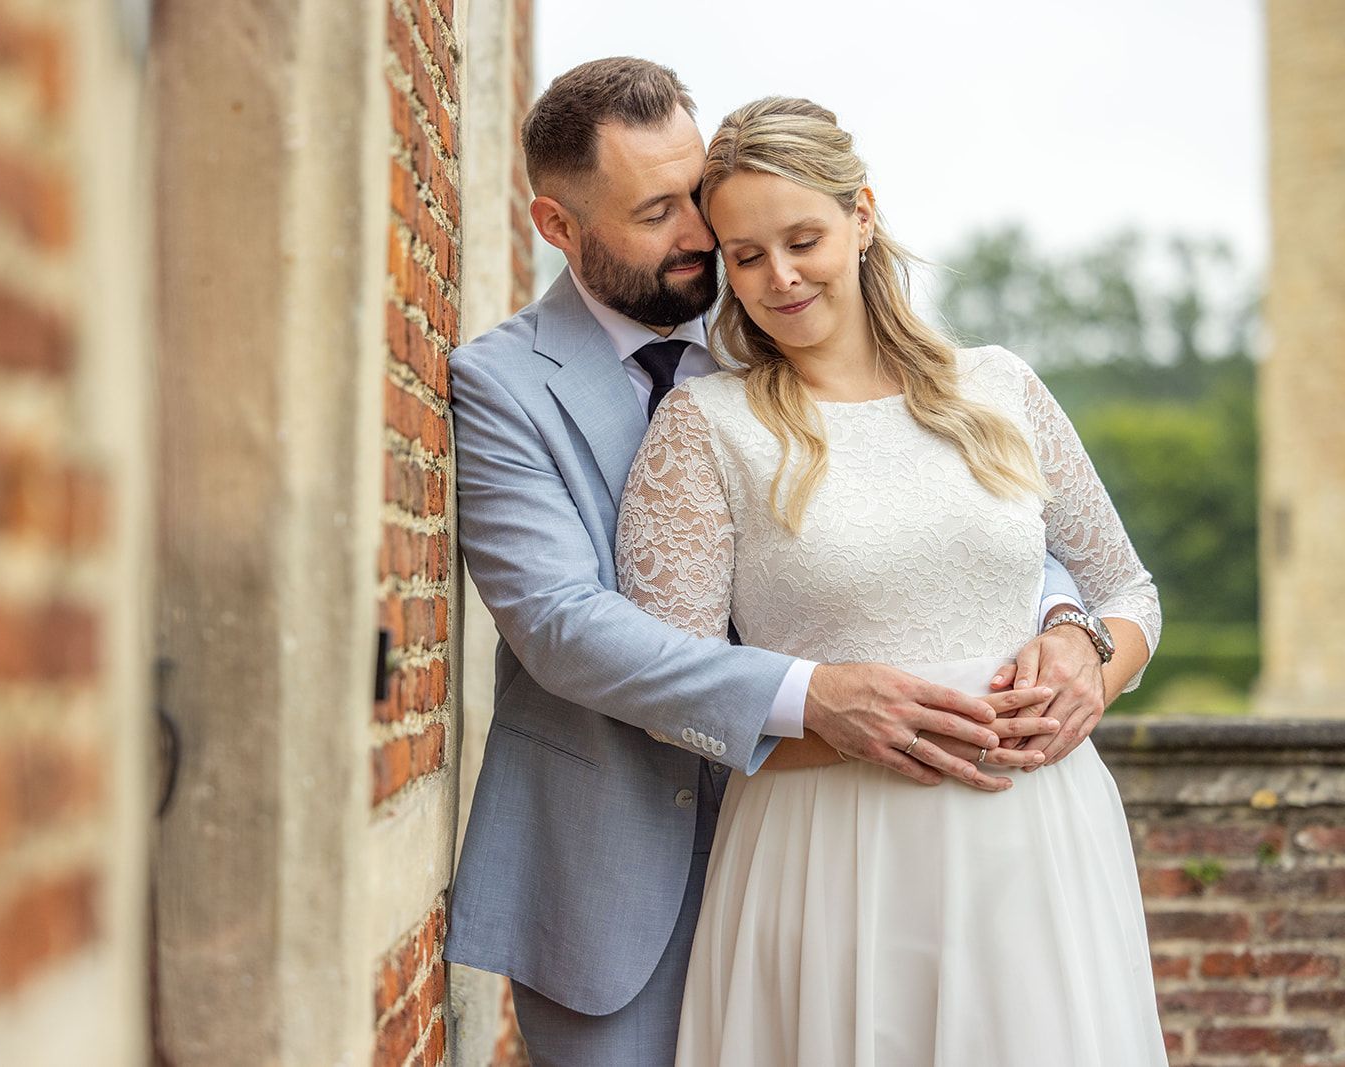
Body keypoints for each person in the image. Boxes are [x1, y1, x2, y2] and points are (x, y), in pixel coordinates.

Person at [443, 58, 1107, 1066]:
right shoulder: (501, 384)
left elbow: (956, 516)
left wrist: (1063, 620)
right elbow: (559, 625)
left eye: (697, 193)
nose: (703, 235)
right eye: (657, 210)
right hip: (617, 870)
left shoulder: (777, 319)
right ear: (556, 226)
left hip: (851, 851)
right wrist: (813, 696)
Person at [615, 94, 1168, 1065]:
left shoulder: (998, 387)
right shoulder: (705, 427)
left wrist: (1091, 662)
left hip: (1038, 840)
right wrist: (826, 720)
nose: (779, 276)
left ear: (861, 216)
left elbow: (1126, 590)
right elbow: (667, 689)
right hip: (829, 852)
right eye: (745, 256)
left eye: (803, 238)